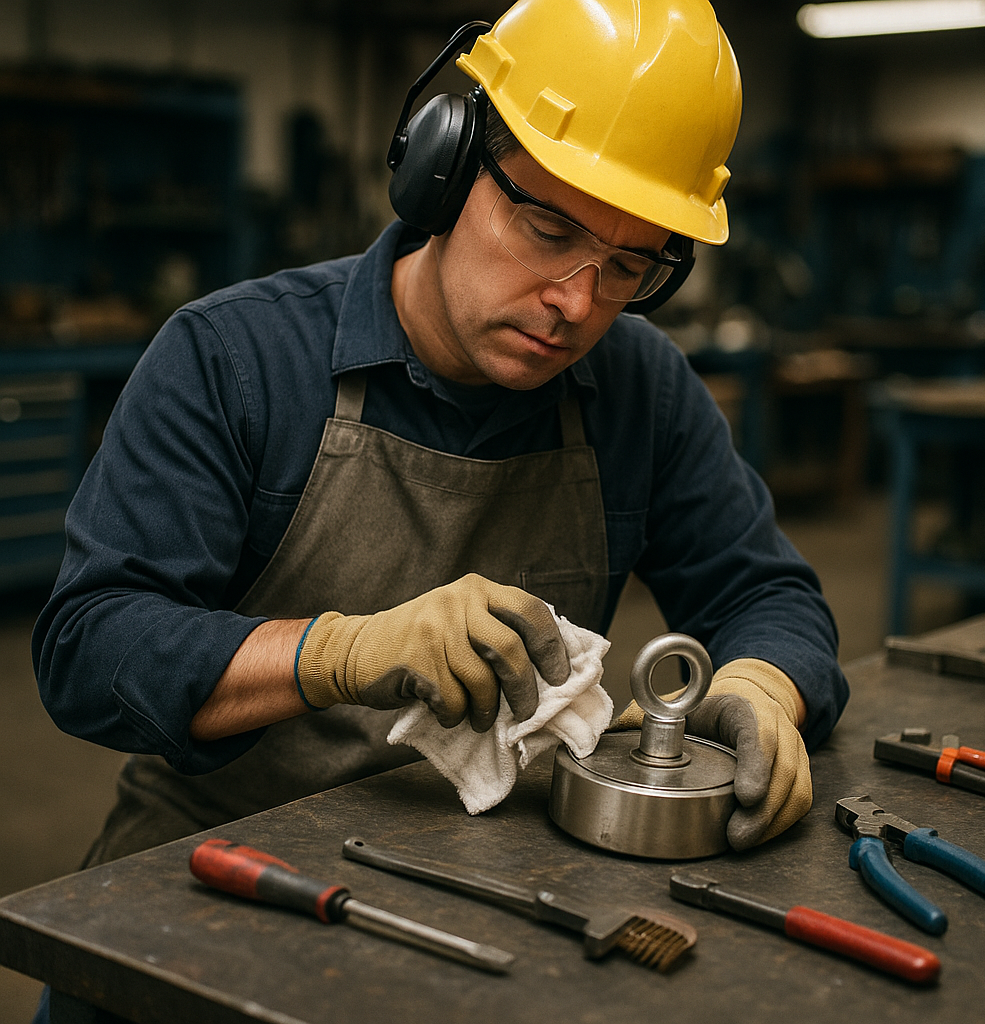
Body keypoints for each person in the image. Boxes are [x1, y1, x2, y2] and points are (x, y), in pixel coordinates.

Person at [33, 0, 848, 878]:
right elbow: (90, 648)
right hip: (215, 862)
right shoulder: (235, 358)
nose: (576, 304)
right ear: (446, 171)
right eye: (549, 233)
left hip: (481, 870)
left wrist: (764, 686)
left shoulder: (640, 390)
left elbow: (766, 593)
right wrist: (337, 655)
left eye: (627, 267)